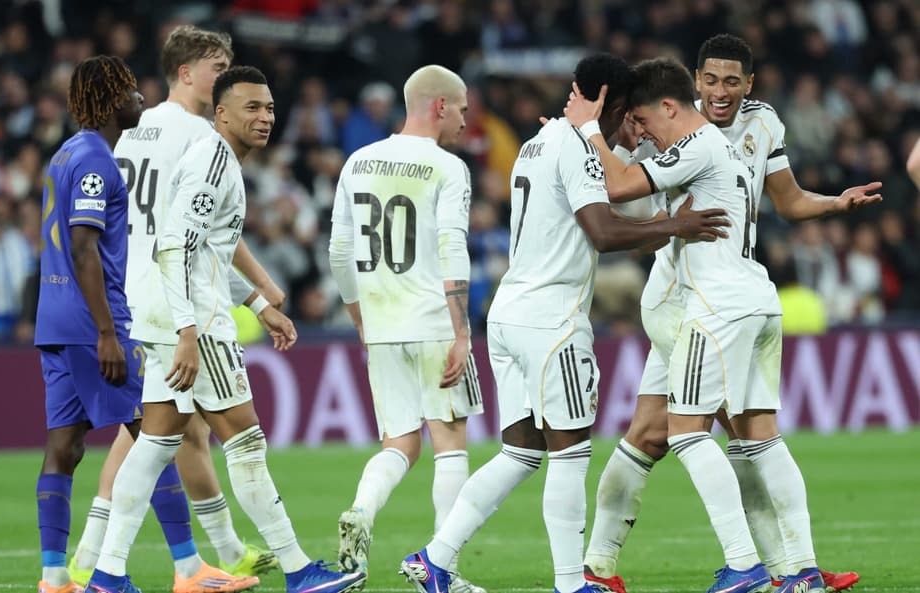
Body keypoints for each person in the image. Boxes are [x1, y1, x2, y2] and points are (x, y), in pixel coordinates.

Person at [399, 53, 731, 593]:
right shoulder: (575, 145)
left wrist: (660, 217)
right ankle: (570, 584)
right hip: (552, 321)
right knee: (571, 454)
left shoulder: (539, 141)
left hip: (510, 312)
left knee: (520, 451)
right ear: (614, 104)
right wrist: (677, 225)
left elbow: (594, 212)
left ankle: (436, 559)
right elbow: (601, 231)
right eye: (631, 118)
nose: (635, 131)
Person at [574, 34, 877, 593]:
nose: (719, 90)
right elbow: (620, 175)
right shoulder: (670, 131)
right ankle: (794, 570)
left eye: (731, 81)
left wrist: (833, 201)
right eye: (709, 80)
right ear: (693, 83)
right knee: (729, 434)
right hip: (692, 292)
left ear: (749, 85)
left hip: (714, 299)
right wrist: (607, 132)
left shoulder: (742, 129)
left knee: (677, 432)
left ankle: (761, 567)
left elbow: (784, 200)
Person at [86, 66, 365, 593]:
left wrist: (259, 302)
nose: (264, 118)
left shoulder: (218, 163)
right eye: (251, 108)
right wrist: (189, 331)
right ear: (221, 113)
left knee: (154, 444)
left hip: (167, 315)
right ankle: (299, 569)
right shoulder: (215, 164)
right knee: (245, 439)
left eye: (270, 109)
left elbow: (207, 253)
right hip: (195, 323)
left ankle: (107, 573)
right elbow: (177, 248)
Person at [67, 25, 283, 587]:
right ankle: (107, 560)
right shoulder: (198, 135)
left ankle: (100, 560)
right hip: (174, 295)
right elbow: (200, 231)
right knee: (172, 430)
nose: (225, 77)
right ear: (187, 73)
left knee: (157, 429)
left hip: (131, 289)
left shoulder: (133, 130)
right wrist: (260, 293)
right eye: (218, 67)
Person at [33, 55, 251, 593]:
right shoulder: (96, 162)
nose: (141, 100)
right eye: (130, 93)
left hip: (54, 320)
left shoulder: (65, 154)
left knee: (65, 447)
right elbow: (84, 247)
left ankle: (55, 575)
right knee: (155, 435)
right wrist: (108, 332)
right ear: (110, 100)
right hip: (93, 326)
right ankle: (188, 569)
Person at [328, 64, 485, 593]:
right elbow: (451, 248)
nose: (466, 119)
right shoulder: (448, 167)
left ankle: (361, 511)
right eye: (462, 108)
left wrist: (358, 316)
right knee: (449, 441)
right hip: (434, 321)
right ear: (439, 106)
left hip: (383, 322)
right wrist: (462, 331)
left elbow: (339, 251)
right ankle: (442, 567)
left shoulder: (358, 161)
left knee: (399, 442)